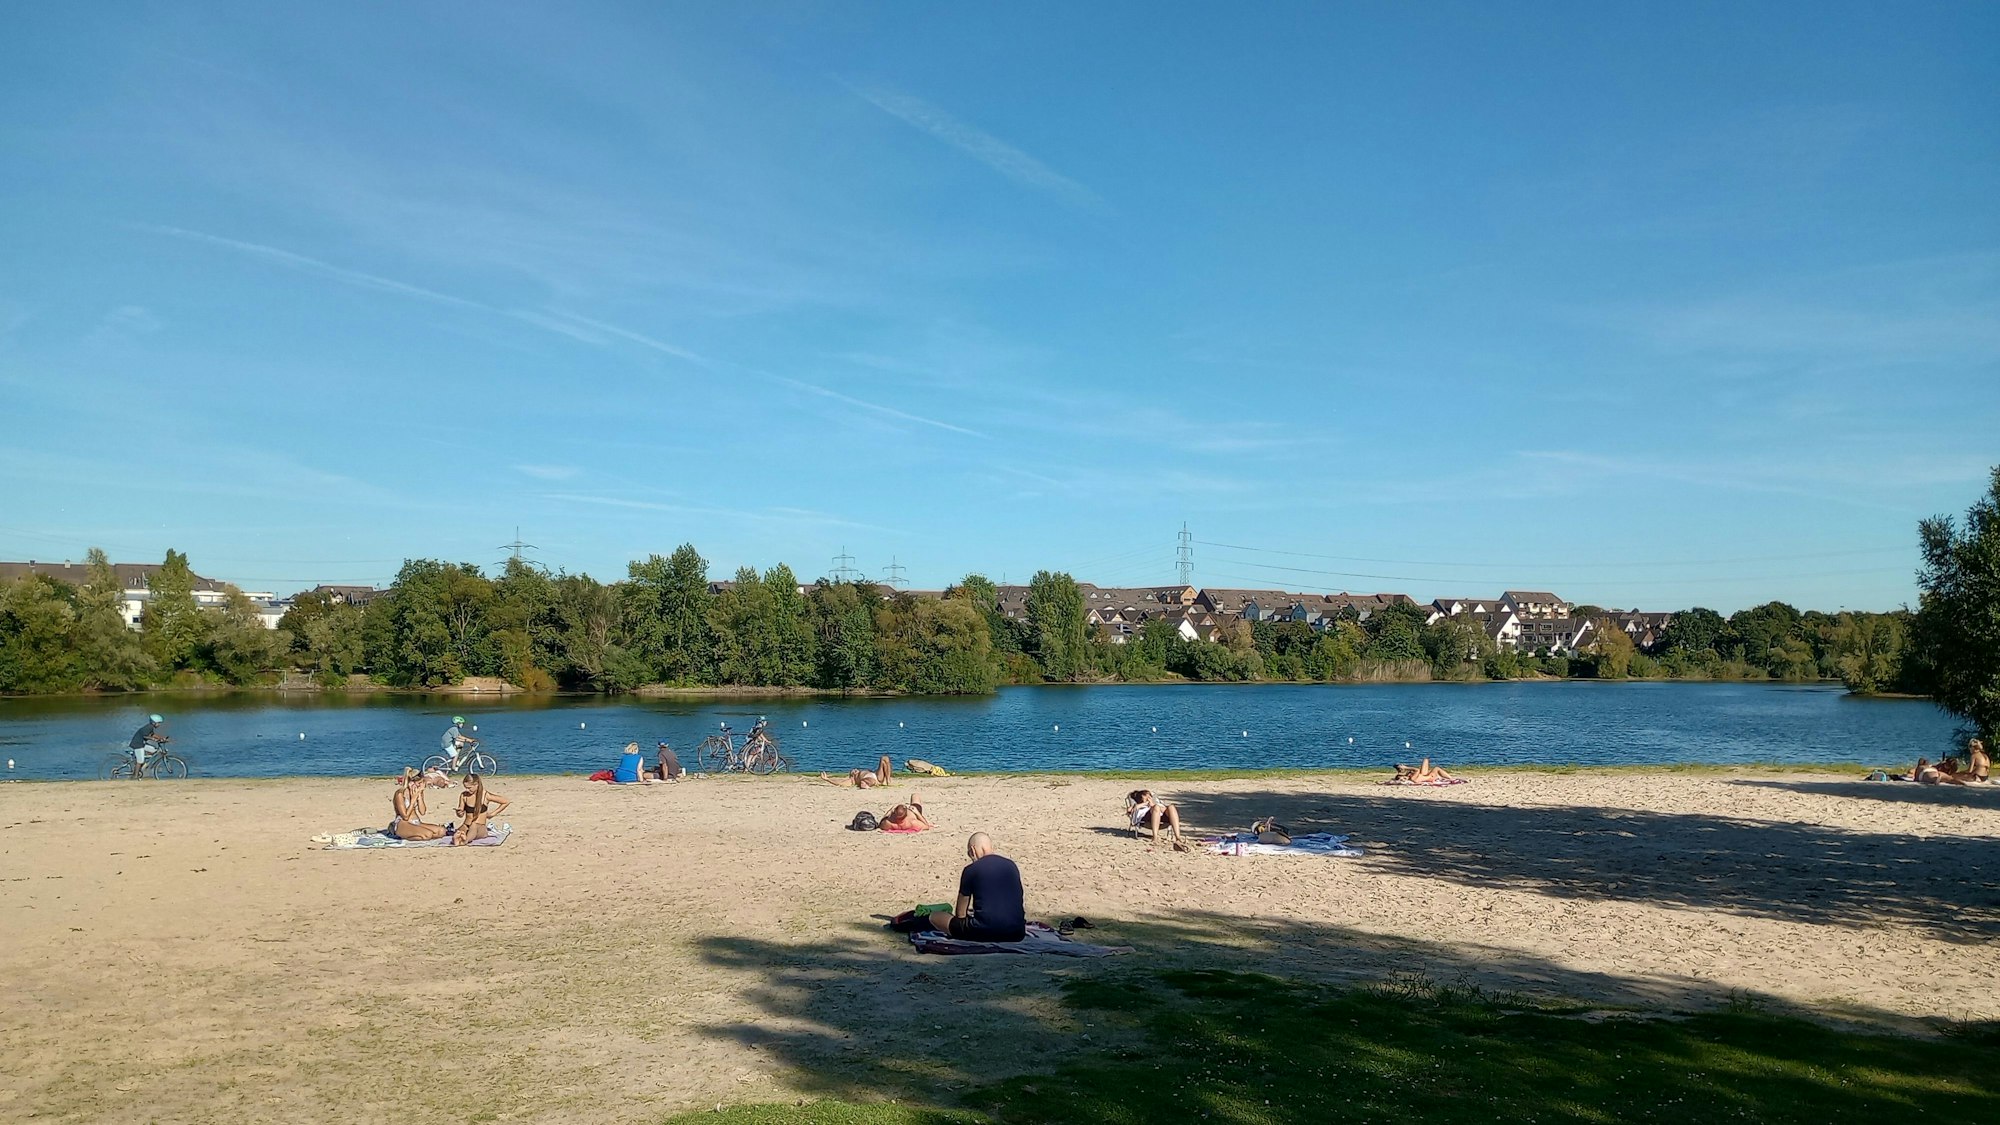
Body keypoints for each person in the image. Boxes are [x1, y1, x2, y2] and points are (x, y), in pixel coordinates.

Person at [926, 833, 1026, 943]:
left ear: (972, 850)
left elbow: (961, 914)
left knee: (935, 917)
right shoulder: (1011, 865)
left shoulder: (971, 869)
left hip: (983, 932)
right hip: (1017, 933)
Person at [389, 768, 445, 841]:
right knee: (428, 835)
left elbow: (422, 812)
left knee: (441, 831)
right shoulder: (400, 794)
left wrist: (419, 796)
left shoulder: (418, 791)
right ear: (411, 783)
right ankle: (408, 835)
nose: (421, 785)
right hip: (403, 823)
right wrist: (413, 800)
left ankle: (419, 833)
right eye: (419, 783)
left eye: (422, 782)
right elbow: (405, 816)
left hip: (416, 822)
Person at [453, 773, 510, 845]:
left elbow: (506, 801)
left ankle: (465, 841)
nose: (467, 790)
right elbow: (461, 814)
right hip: (466, 825)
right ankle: (461, 838)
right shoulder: (464, 796)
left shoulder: (485, 795)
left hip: (480, 827)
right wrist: (459, 813)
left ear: (476, 784)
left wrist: (493, 814)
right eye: (466, 788)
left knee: (473, 825)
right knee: (458, 832)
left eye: (469, 788)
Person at [820, 755, 893, 789]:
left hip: (876, 775)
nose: (854, 769)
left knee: (884, 758)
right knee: (864, 782)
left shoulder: (862, 771)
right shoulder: (853, 779)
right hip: (868, 779)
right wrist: (827, 779)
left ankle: (888, 780)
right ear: (852, 775)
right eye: (852, 771)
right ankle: (865, 785)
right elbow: (840, 783)